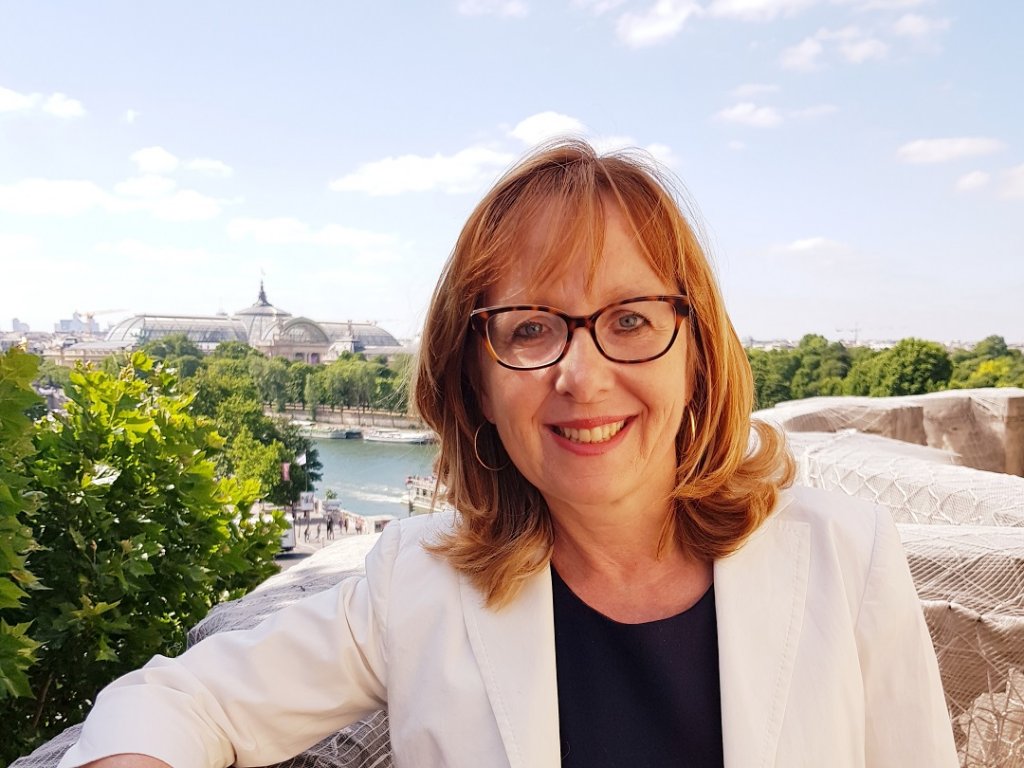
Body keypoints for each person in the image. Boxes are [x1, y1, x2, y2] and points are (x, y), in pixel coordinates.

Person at [58, 140, 957, 768]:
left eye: (631, 320)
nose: (582, 373)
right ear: (476, 385)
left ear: (697, 352)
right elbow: (180, 701)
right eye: (530, 329)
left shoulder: (847, 554)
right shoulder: (415, 583)